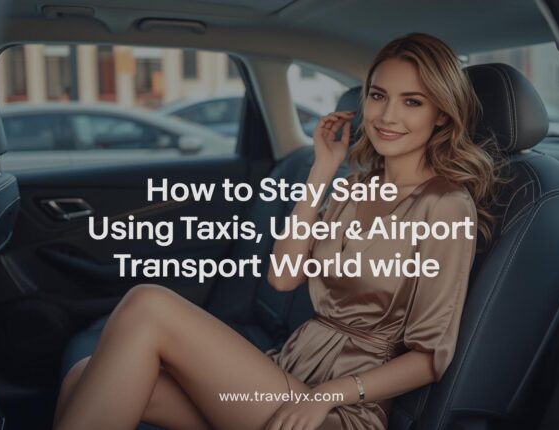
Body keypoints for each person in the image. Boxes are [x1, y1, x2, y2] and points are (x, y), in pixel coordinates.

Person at [52, 32, 499, 430]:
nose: (387, 115)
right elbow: (284, 277)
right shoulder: (354, 187)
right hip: (287, 371)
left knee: (149, 303)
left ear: (442, 115)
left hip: (342, 408)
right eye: (378, 96)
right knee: (83, 375)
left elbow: (428, 360)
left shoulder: (445, 205)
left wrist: (326, 397)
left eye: (412, 102)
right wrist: (323, 170)